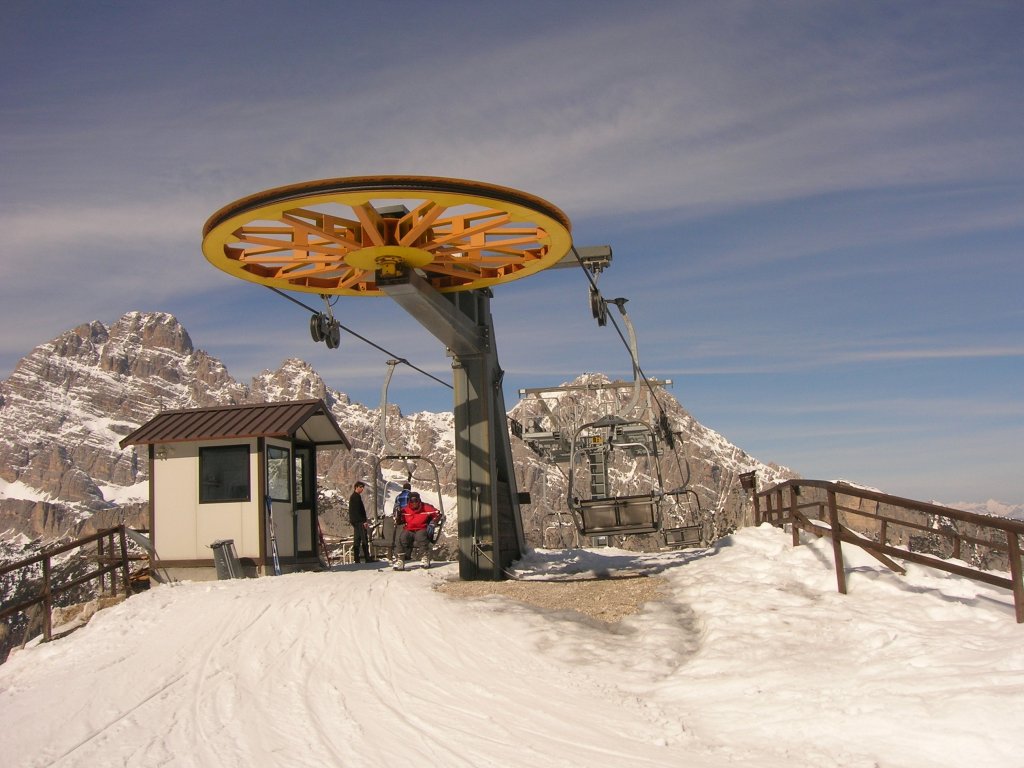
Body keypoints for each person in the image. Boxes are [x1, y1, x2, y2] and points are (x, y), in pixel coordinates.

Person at [394, 491, 440, 570]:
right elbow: (400, 521)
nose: (414, 503)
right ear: (409, 501)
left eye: (416, 500)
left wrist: (434, 522)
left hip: (421, 527)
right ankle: (400, 559)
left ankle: (425, 557)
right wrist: (398, 517)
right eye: (412, 501)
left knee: (421, 537)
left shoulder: (426, 507)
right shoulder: (406, 510)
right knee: (402, 537)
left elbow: (437, 513)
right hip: (409, 529)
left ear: (419, 500)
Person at [348, 481, 371, 563]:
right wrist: (363, 521)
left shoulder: (354, 497)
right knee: (364, 539)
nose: (362, 489)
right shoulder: (356, 497)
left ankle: (356, 559)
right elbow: (358, 511)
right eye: (360, 487)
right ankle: (367, 558)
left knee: (357, 540)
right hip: (359, 521)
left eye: (363, 487)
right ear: (356, 487)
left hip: (355, 521)